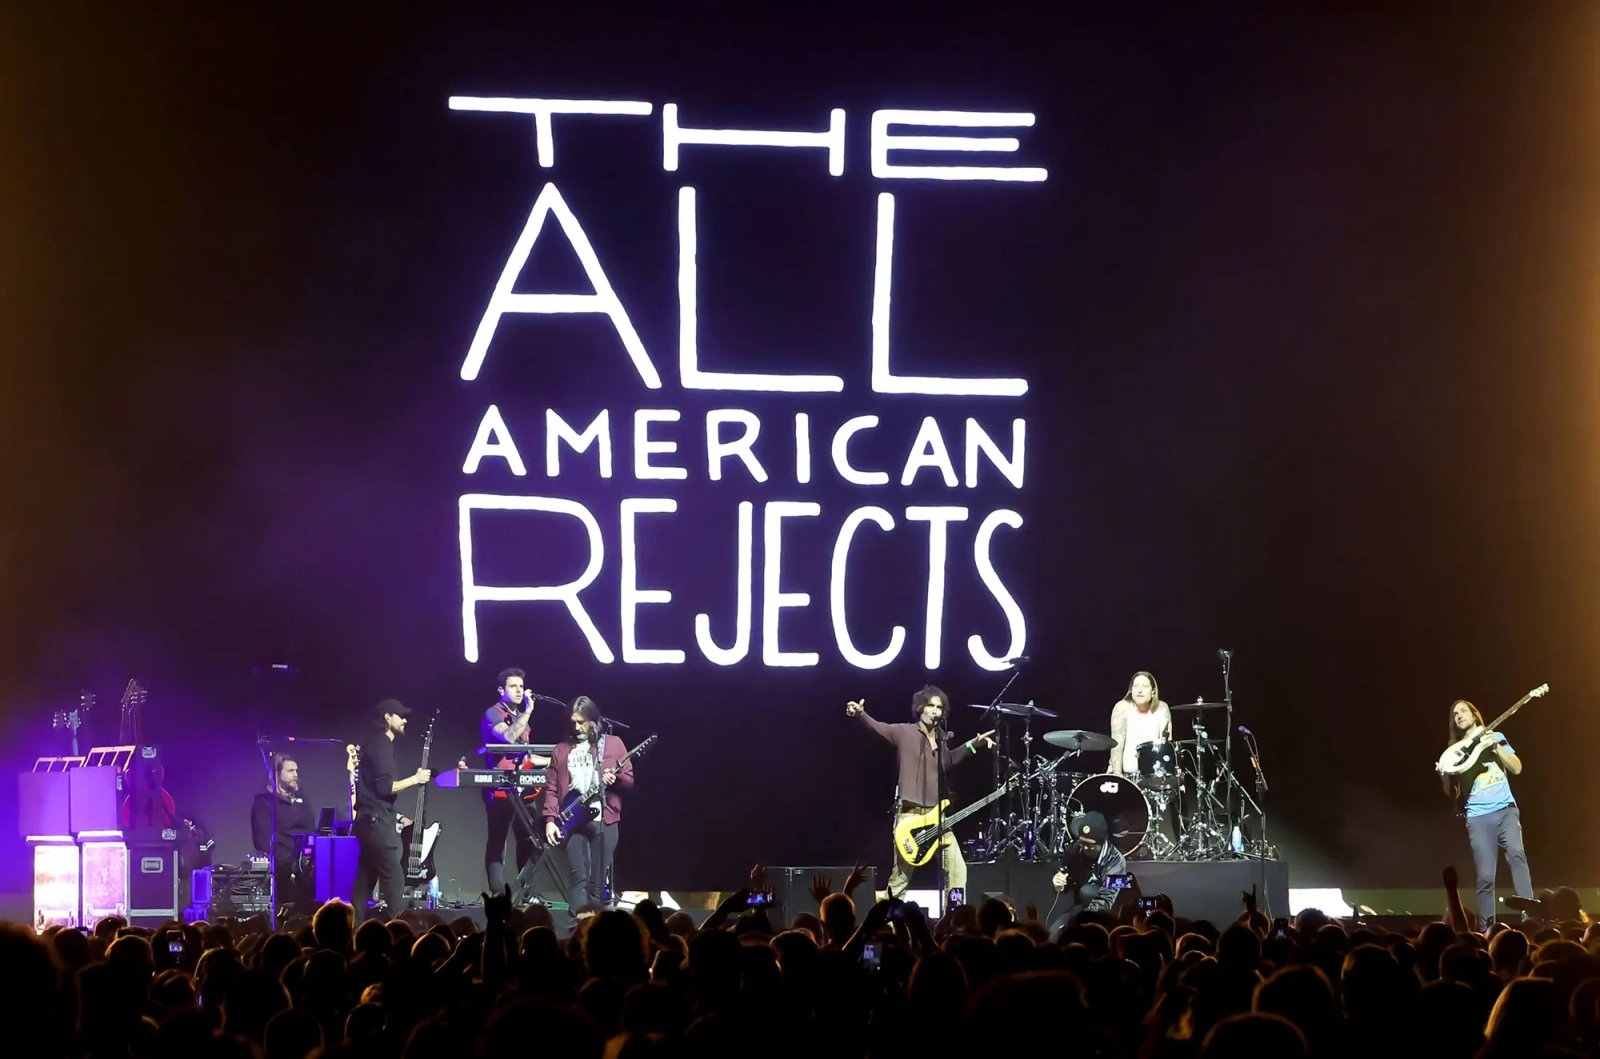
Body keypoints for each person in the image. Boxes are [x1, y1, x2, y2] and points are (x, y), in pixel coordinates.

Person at [846, 686, 995, 901]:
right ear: (920, 708)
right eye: (930, 706)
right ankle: (889, 925)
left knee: (957, 870)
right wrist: (861, 714)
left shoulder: (942, 741)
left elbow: (949, 761)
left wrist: (974, 745)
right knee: (901, 879)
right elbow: (879, 728)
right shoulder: (904, 732)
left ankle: (954, 920)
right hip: (910, 817)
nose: (935, 711)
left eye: (939, 707)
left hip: (938, 819)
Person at [1439, 698, 1533, 925]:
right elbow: (1451, 793)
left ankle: (1530, 916)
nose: (1459, 715)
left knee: (1516, 854)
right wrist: (1444, 774)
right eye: (1455, 714)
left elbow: (1517, 768)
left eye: (1463, 711)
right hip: (1478, 817)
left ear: (1474, 714)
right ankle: (1486, 928)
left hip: (1505, 810)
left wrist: (1496, 746)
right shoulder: (1455, 752)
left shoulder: (1496, 737)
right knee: (1485, 877)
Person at [543, 697, 633, 911]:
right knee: (577, 878)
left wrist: (616, 779)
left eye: (581, 721)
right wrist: (550, 820)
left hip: (605, 819)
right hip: (574, 821)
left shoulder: (613, 744)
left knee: (597, 882)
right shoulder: (561, 750)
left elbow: (629, 780)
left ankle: (594, 932)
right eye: (573, 722)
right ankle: (577, 927)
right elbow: (552, 788)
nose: (577, 727)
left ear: (593, 720)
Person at [352, 699, 431, 917]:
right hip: (376, 824)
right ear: (387, 717)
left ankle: (350, 930)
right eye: (401, 715)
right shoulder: (381, 744)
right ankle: (400, 932)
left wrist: (397, 817)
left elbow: (374, 793)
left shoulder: (376, 744)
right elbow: (385, 787)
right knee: (394, 877)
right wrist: (415, 779)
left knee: (365, 880)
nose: (405, 720)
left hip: (369, 822)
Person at [481, 667, 552, 894]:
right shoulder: (493, 713)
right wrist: (528, 712)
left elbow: (526, 754)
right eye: (513, 686)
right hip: (502, 786)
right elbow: (508, 738)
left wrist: (554, 761)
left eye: (521, 686)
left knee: (529, 839)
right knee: (498, 839)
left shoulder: (520, 718)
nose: (519, 690)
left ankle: (526, 893)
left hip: (524, 787)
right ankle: (499, 893)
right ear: (501, 689)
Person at [250, 752, 315, 914]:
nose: (296, 775)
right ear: (276, 774)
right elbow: (262, 840)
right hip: (283, 865)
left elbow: (311, 829)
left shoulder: (302, 800)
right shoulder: (263, 803)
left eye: (296, 771)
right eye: (290, 771)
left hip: (306, 862)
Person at [1049, 810, 1127, 929]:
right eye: (1082, 843)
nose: (1085, 848)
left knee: (1087, 891)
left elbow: (1107, 898)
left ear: (1102, 842)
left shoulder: (1116, 861)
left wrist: (1082, 922)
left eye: (1091, 845)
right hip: (1081, 906)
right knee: (1055, 933)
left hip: (1109, 912)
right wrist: (1059, 883)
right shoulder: (1073, 851)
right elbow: (1067, 878)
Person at [1108, 671, 1172, 777]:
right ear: (1131, 690)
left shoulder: (1162, 708)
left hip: (1152, 775)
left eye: (1145, 686)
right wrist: (1118, 777)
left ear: (1153, 692)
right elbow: (1116, 746)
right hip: (1125, 775)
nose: (1139, 690)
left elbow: (1166, 747)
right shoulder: (1122, 707)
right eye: (1136, 686)